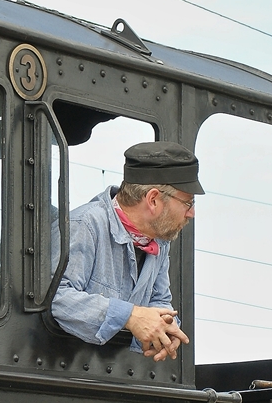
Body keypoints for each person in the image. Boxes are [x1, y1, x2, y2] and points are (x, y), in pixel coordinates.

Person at [51, 141, 203, 362]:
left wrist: (167, 327)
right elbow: (57, 298)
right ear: (153, 200)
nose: (192, 213)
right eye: (188, 203)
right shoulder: (84, 225)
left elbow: (159, 299)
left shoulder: (159, 242)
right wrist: (130, 316)